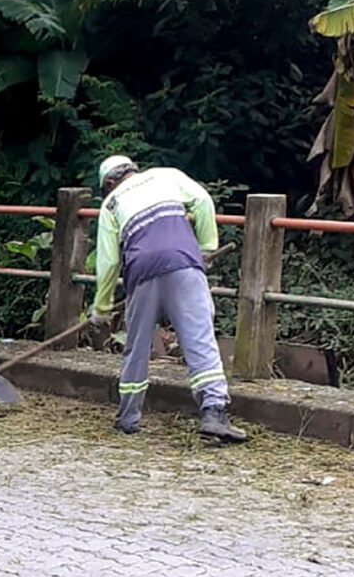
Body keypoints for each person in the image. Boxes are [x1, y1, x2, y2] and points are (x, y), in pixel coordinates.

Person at [92, 155, 248, 444]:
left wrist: (101, 306)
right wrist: (206, 247)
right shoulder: (167, 176)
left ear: (110, 183)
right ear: (133, 170)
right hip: (184, 263)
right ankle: (215, 413)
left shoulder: (111, 204)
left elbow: (109, 261)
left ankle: (128, 417)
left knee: (137, 345)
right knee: (200, 339)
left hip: (142, 272)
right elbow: (202, 202)